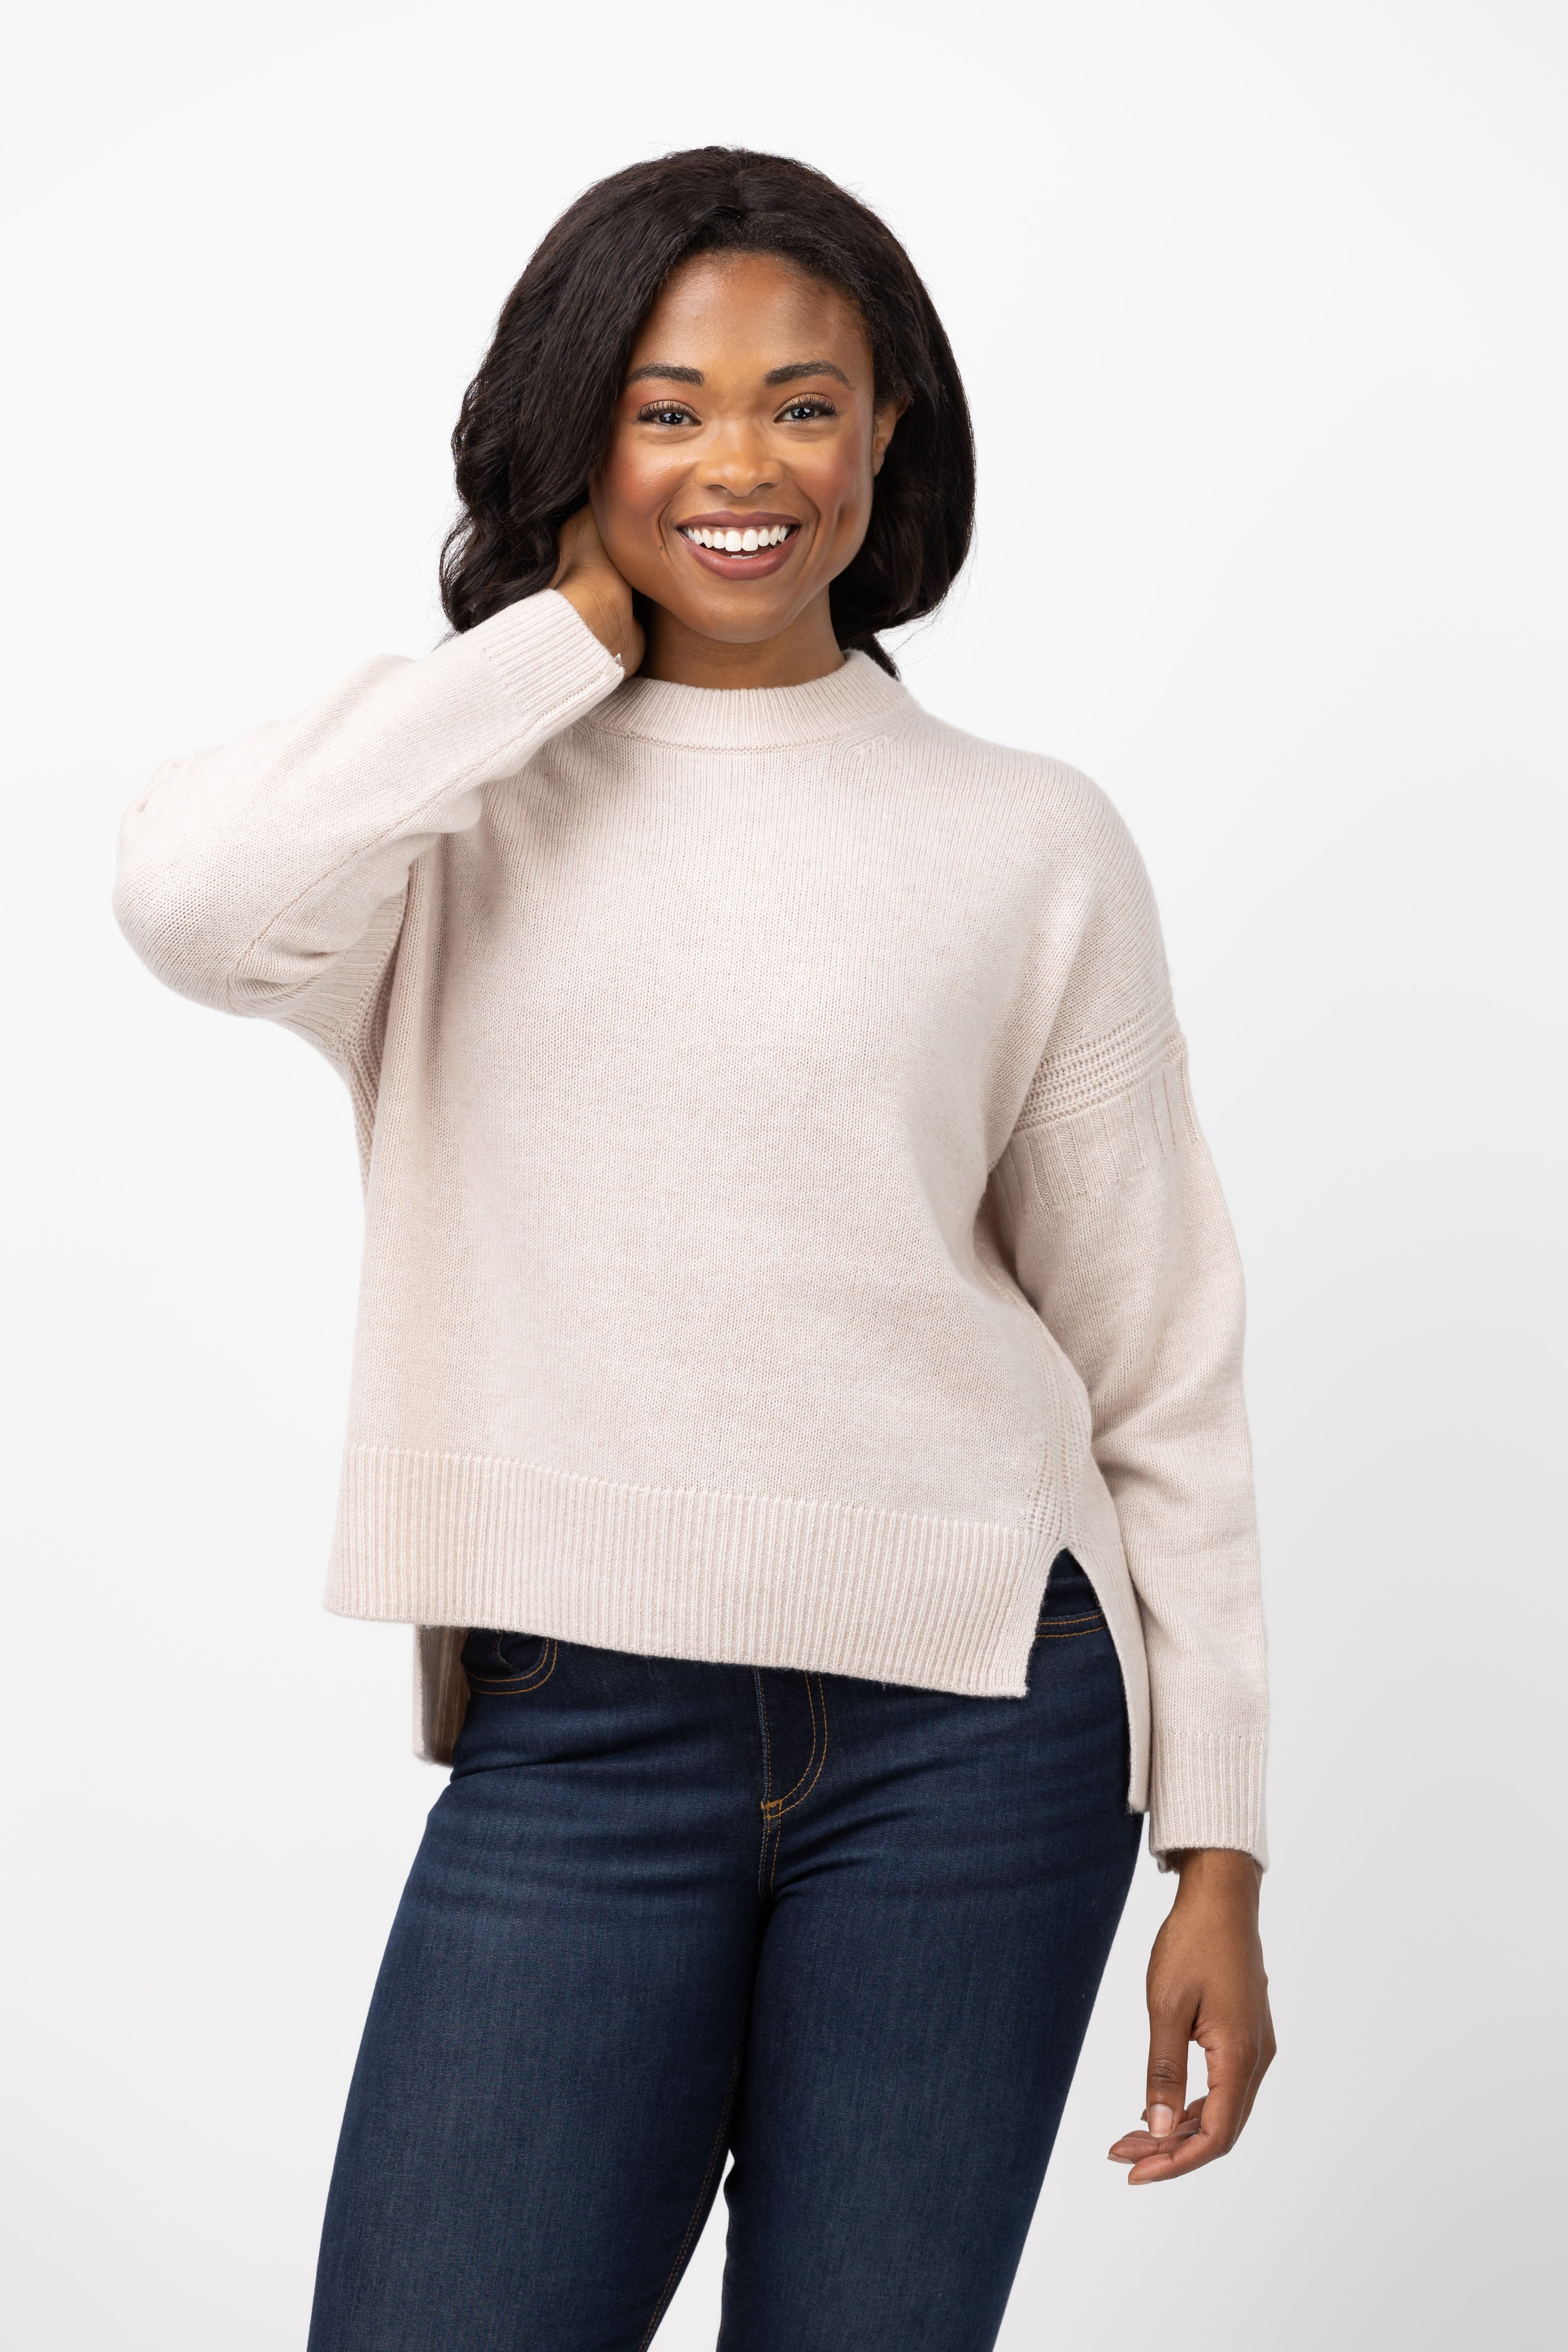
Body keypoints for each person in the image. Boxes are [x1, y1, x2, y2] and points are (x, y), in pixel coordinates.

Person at [114, 147, 1275, 2352]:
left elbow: (1157, 1357)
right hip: (583, 1732)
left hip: (982, 1726)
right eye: (667, 409)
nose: (743, 465)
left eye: (802, 404)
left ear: (886, 431)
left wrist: (1217, 1844)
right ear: (581, 435)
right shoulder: (452, 819)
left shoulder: (1027, 838)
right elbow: (196, 900)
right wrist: (555, 643)